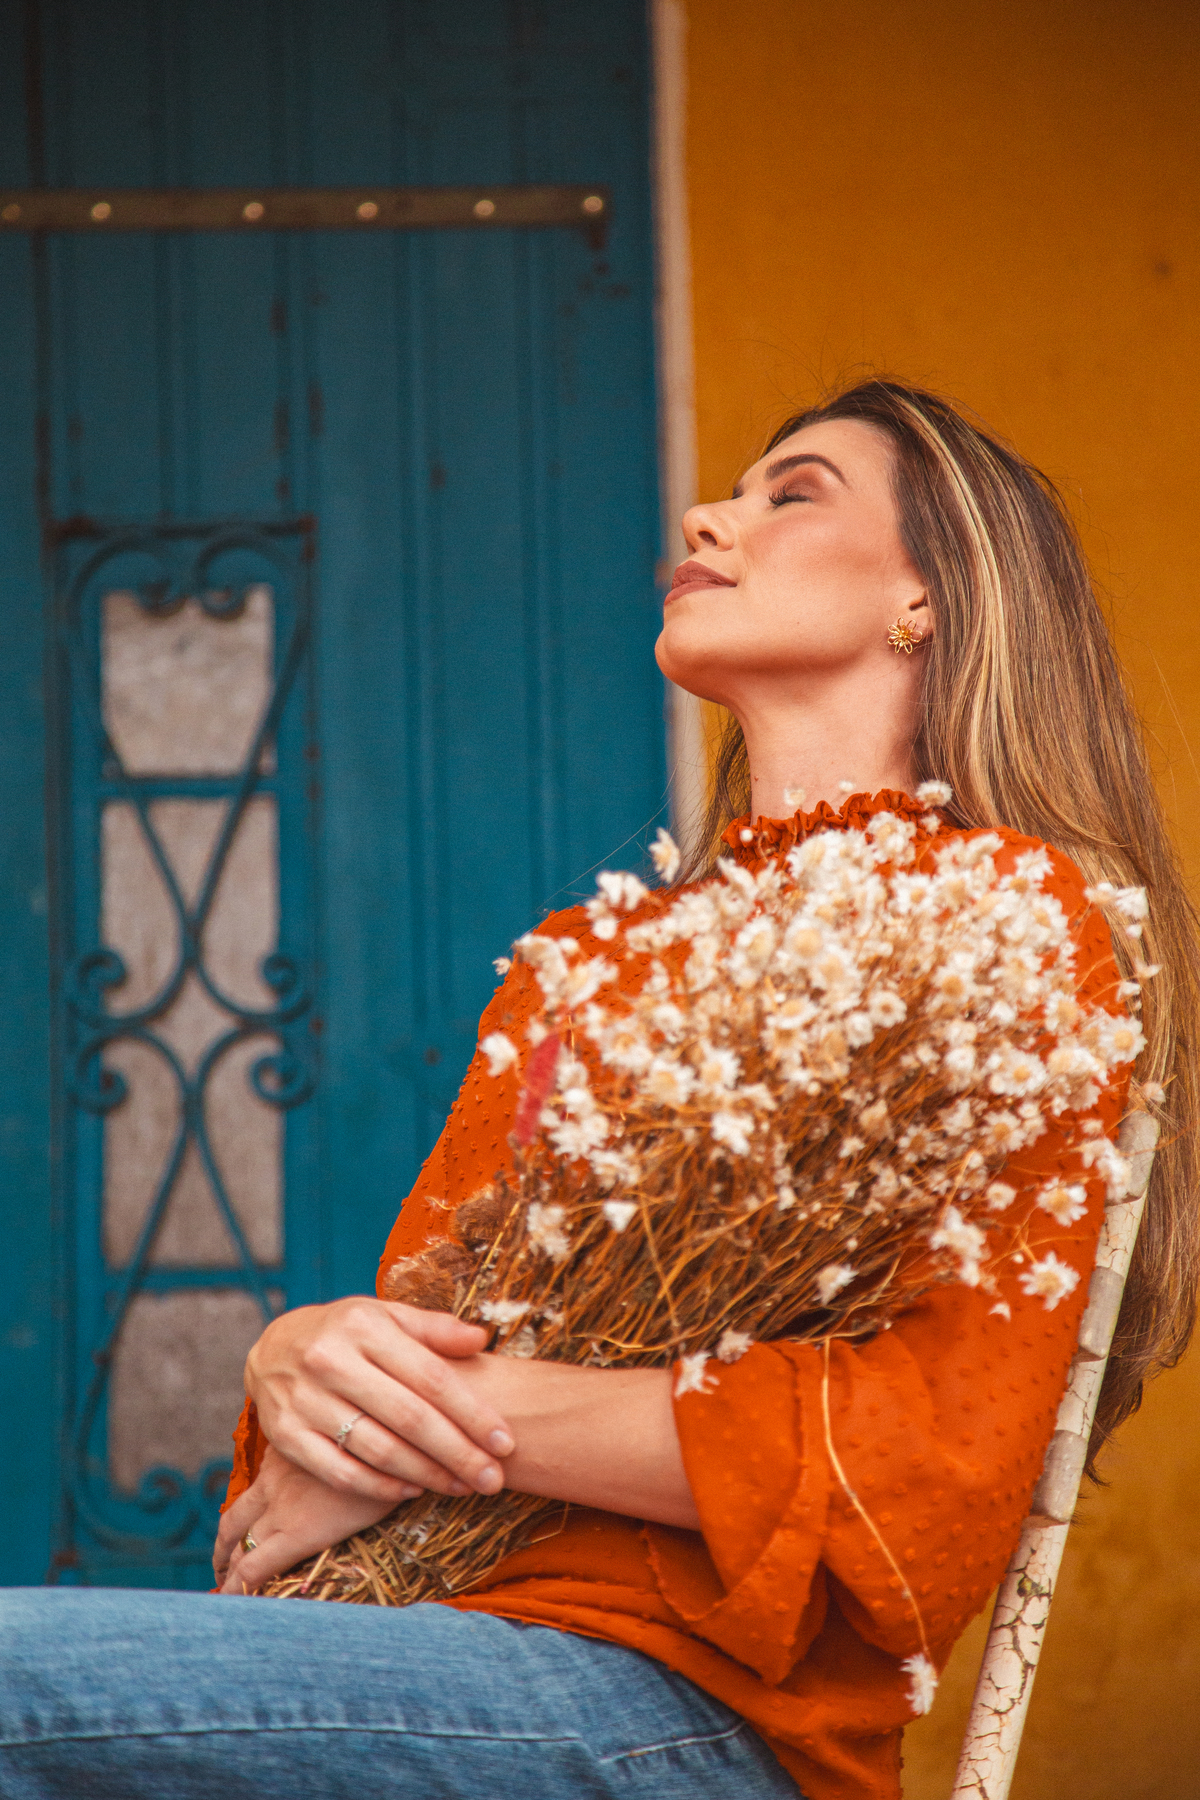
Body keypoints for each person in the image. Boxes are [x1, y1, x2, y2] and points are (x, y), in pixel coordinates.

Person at [4, 381, 1196, 1800]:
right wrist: (301, 1358)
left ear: (931, 597)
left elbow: (921, 1470)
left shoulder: (1014, 924)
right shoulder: (586, 959)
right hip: (418, 1642)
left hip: (686, 1708)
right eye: (732, 491)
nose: (709, 516)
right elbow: (435, 1317)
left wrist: (446, 1432)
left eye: (792, 492)